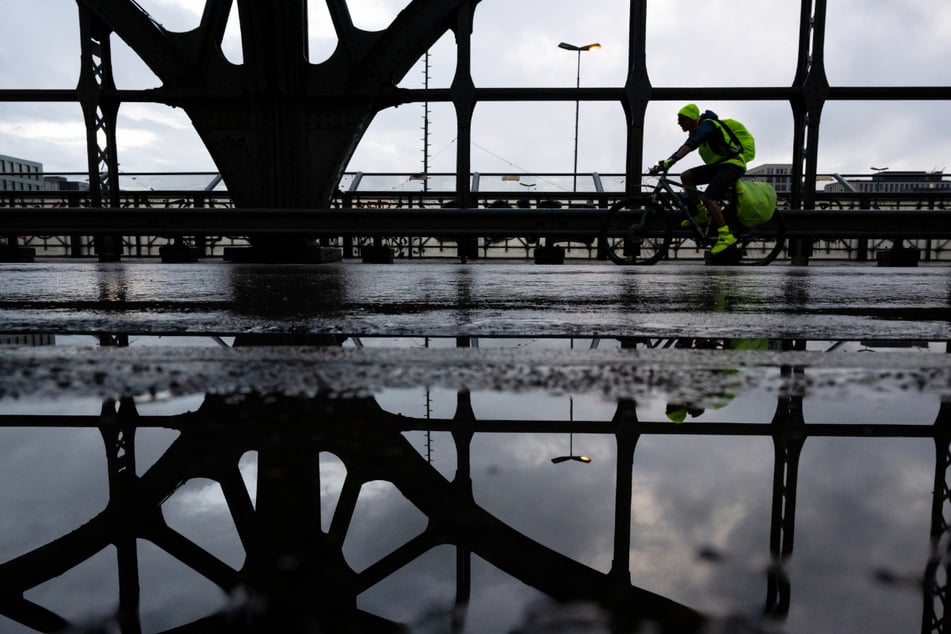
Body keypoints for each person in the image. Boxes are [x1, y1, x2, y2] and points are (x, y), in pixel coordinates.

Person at [650, 104, 751, 255]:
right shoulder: (698, 129)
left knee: (708, 198)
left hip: (732, 165)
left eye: (681, 119)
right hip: (720, 166)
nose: (679, 123)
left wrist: (671, 161)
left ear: (691, 119)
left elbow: (690, 145)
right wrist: (668, 161)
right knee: (686, 176)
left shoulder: (707, 125)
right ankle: (700, 214)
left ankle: (725, 236)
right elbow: (687, 145)